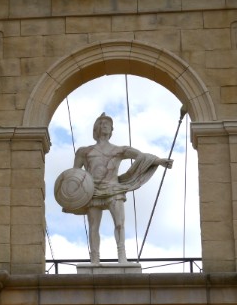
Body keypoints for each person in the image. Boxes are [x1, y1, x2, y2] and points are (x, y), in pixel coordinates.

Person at [70, 113, 171, 265]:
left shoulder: (119, 150)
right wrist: (73, 193)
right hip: (93, 192)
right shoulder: (84, 151)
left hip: (114, 189)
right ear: (96, 128)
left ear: (112, 130)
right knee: (93, 227)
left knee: (119, 224)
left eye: (108, 124)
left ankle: (122, 256)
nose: (105, 125)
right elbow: (74, 174)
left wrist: (159, 161)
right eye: (101, 123)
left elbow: (142, 156)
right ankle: (95, 259)